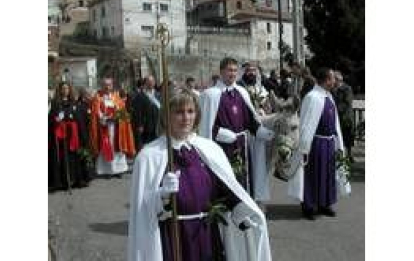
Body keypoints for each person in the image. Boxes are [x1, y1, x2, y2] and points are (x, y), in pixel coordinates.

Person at [127, 88, 272, 261]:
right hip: (174, 236)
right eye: (179, 112)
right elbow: (142, 211)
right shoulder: (150, 156)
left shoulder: (208, 149)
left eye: (190, 111)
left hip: (207, 234)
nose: (186, 118)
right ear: (166, 116)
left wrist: (242, 210)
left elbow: (225, 188)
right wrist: (161, 195)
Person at [199, 57, 275, 201]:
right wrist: (219, 133)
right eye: (229, 70)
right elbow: (205, 125)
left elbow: (250, 120)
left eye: (235, 70)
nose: (232, 74)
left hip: (242, 147)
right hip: (221, 149)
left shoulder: (241, 92)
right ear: (221, 72)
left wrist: (261, 131)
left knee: (244, 180)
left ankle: (243, 213)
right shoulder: (211, 95)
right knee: (225, 182)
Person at [287, 67, 345, 220]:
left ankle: (324, 203)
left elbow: (335, 122)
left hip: (329, 142)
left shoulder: (328, 96)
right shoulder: (312, 97)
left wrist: (338, 142)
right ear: (326, 80)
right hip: (316, 143)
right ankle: (309, 206)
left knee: (327, 174)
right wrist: (305, 146)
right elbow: (306, 123)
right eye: (333, 78)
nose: (335, 81)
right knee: (313, 175)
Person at [89, 77, 136, 177]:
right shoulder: (97, 98)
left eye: (109, 85)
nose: (107, 87)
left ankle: (118, 170)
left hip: (116, 127)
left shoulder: (116, 97)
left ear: (112, 86)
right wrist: (103, 118)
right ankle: (107, 171)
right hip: (104, 128)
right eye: (105, 85)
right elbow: (95, 113)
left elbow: (122, 111)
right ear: (102, 86)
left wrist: (117, 116)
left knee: (117, 147)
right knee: (107, 146)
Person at [49, 82, 83, 190]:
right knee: (63, 158)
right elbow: (52, 118)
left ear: (69, 90)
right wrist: (57, 120)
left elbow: (78, 118)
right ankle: (64, 181)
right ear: (60, 90)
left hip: (72, 135)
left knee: (73, 157)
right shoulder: (56, 103)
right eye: (63, 88)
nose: (65, 90)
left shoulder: (73, 102)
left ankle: (73, 179)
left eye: (67, 88)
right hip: (61, 135)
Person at [129, 75, 161, 152]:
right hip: (146, 124)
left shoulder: (158, 94)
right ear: (145, 83)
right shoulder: (140, 95)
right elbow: (137, 111)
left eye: (152, 81)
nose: (151, 83)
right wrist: (139, 124)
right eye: (149, 82)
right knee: (147, 144)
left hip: (157, 123)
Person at [332, 70, 354, 159]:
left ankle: (349, 154)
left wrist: (335, 109)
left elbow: (347, 102)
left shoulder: (347, 88)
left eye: (334, 79)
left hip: (346, 117)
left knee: (347, 136)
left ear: (338, 80)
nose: (333, 81)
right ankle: (340, 153)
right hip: (337, 117)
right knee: (339, 136)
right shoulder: (333, 89)